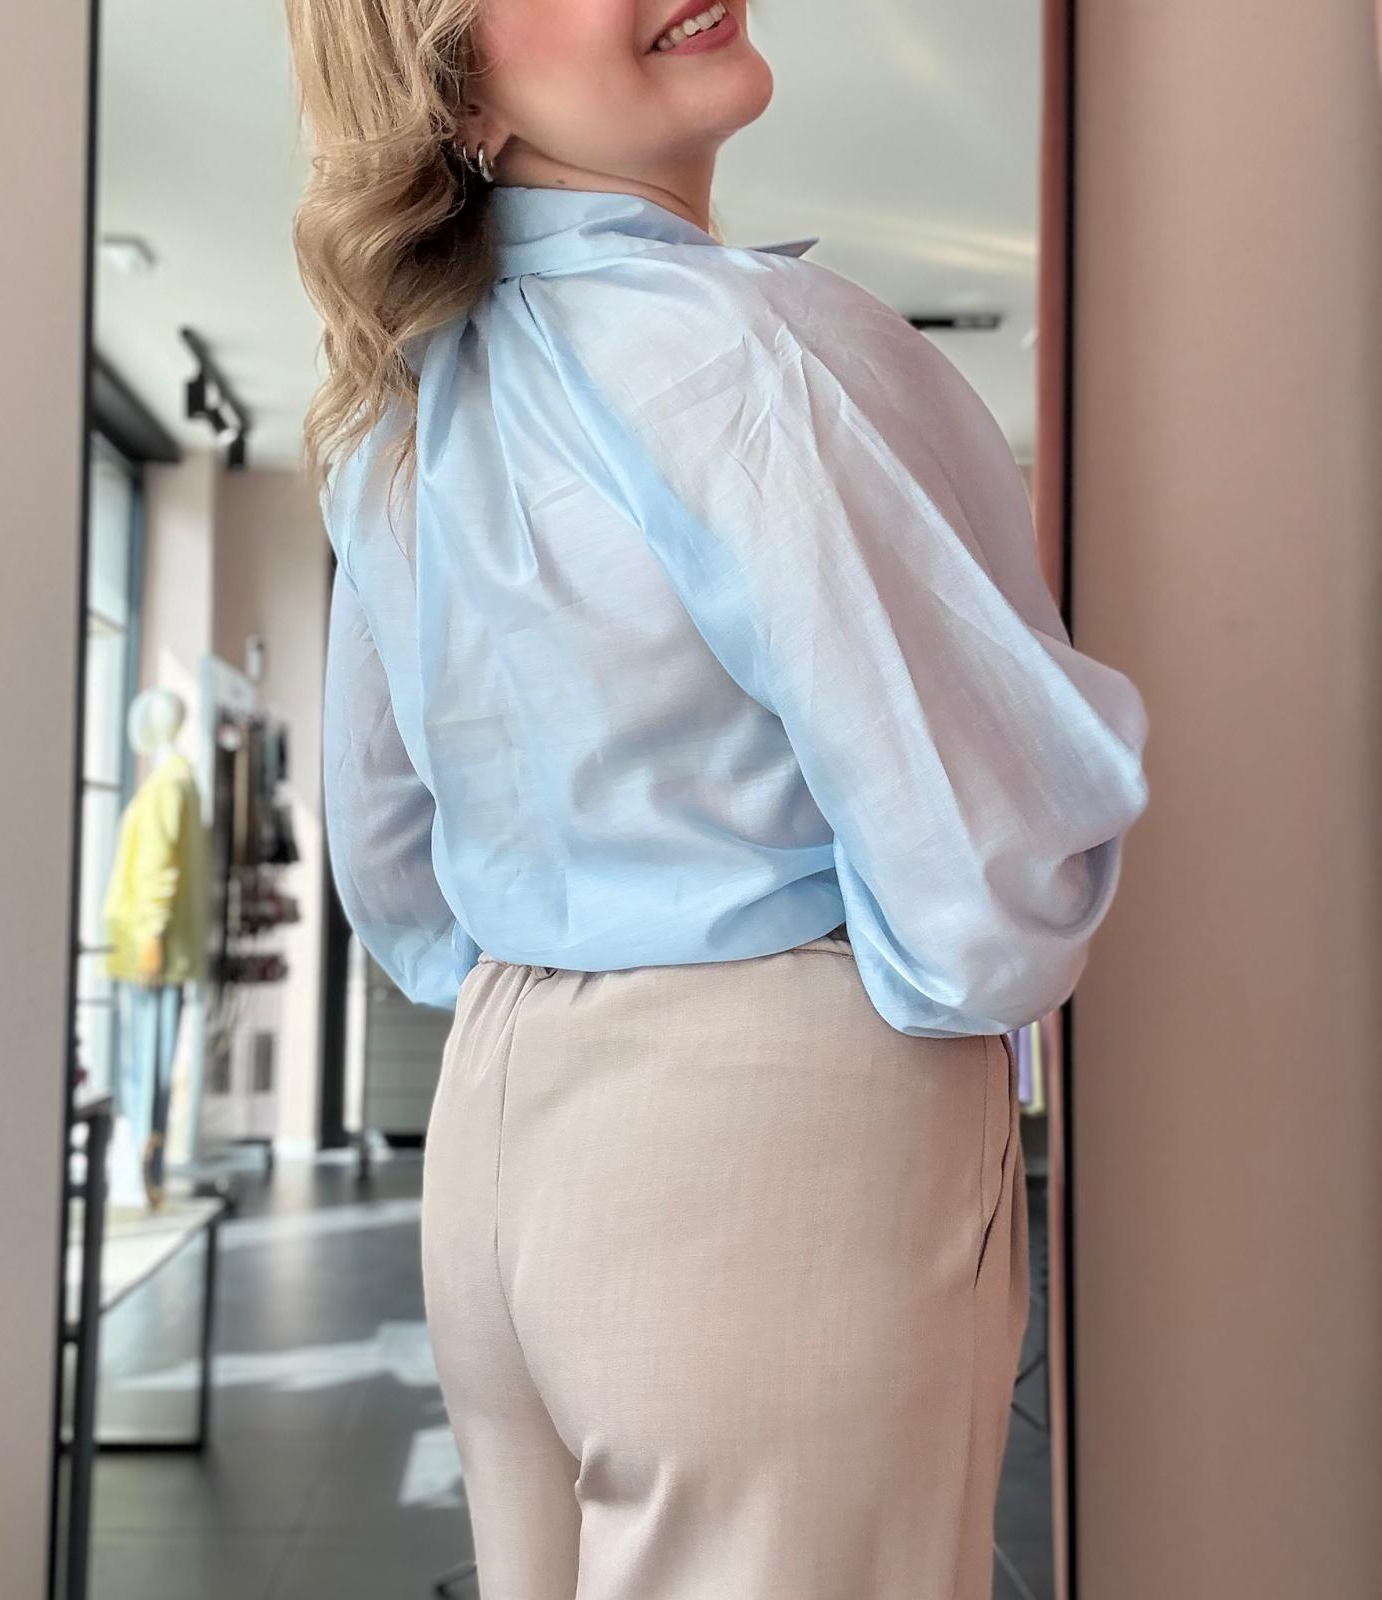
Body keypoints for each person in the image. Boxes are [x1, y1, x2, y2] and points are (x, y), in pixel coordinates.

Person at [286, 1, 1150, 1595]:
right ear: (453, 89)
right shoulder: (760, 350)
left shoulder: (398, 404)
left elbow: (394, 863)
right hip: (776, 1114)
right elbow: (989, 887)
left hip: (499, 1122)